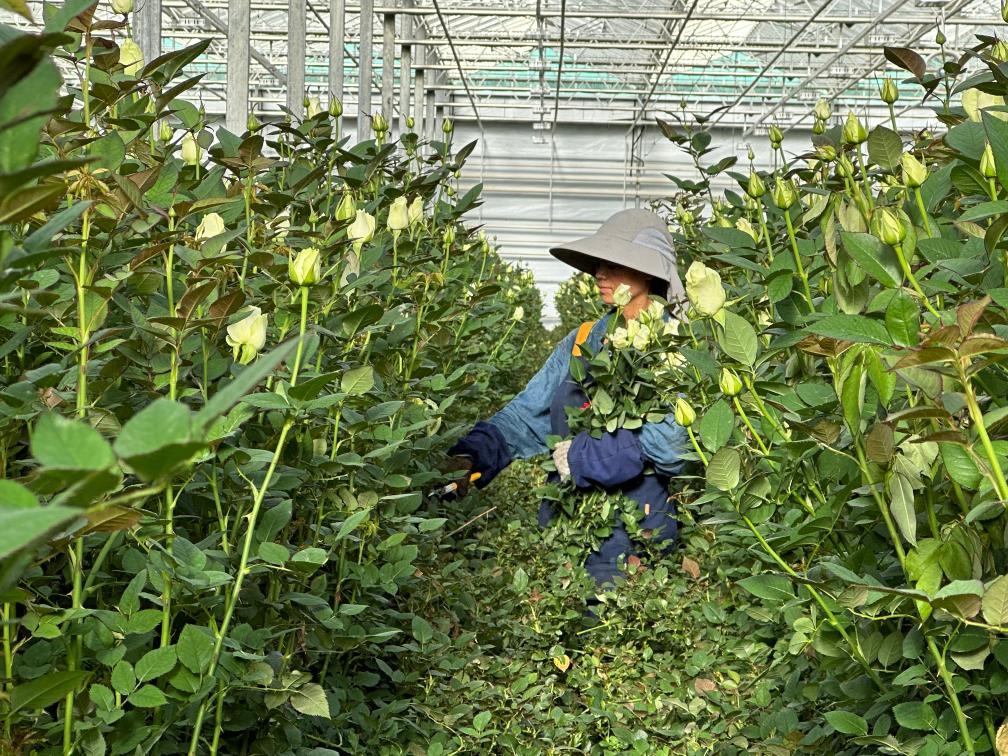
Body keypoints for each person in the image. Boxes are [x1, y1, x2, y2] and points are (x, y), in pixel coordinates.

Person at [447, 209, 689, 585]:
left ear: (647, 272)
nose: (599, 273)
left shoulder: (675, 347)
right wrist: (473, 454)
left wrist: (586, 456)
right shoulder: (583, 340)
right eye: (598, 264)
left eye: (613, 264)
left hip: (639, 543)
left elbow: (674, 444)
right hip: (566, 536)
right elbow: (529, 413)